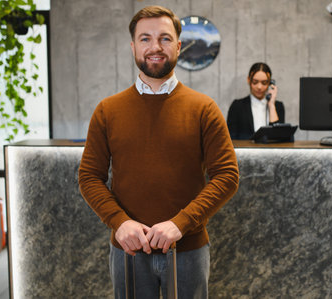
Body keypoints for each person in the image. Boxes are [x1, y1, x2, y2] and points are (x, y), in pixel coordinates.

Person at [78, 5, 239, 299]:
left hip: (188, 250)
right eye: (145, 39)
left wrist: (180, 224)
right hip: (128, 250)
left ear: (178, 45)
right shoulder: (107, 110)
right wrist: (119, 222)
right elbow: (89, 176)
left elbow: (227, 176)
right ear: (133, 47)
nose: (155, 47)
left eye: (165, 38)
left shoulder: (204, 108)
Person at [226, 62, 285, 140]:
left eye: (264, 83)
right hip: (245, 151)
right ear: (249, 80)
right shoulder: (237, 106)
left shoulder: (278, 106)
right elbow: (230, 137)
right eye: (255, 82)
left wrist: (271, 106)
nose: (259, 87)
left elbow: (280, 137)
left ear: (270, 83)